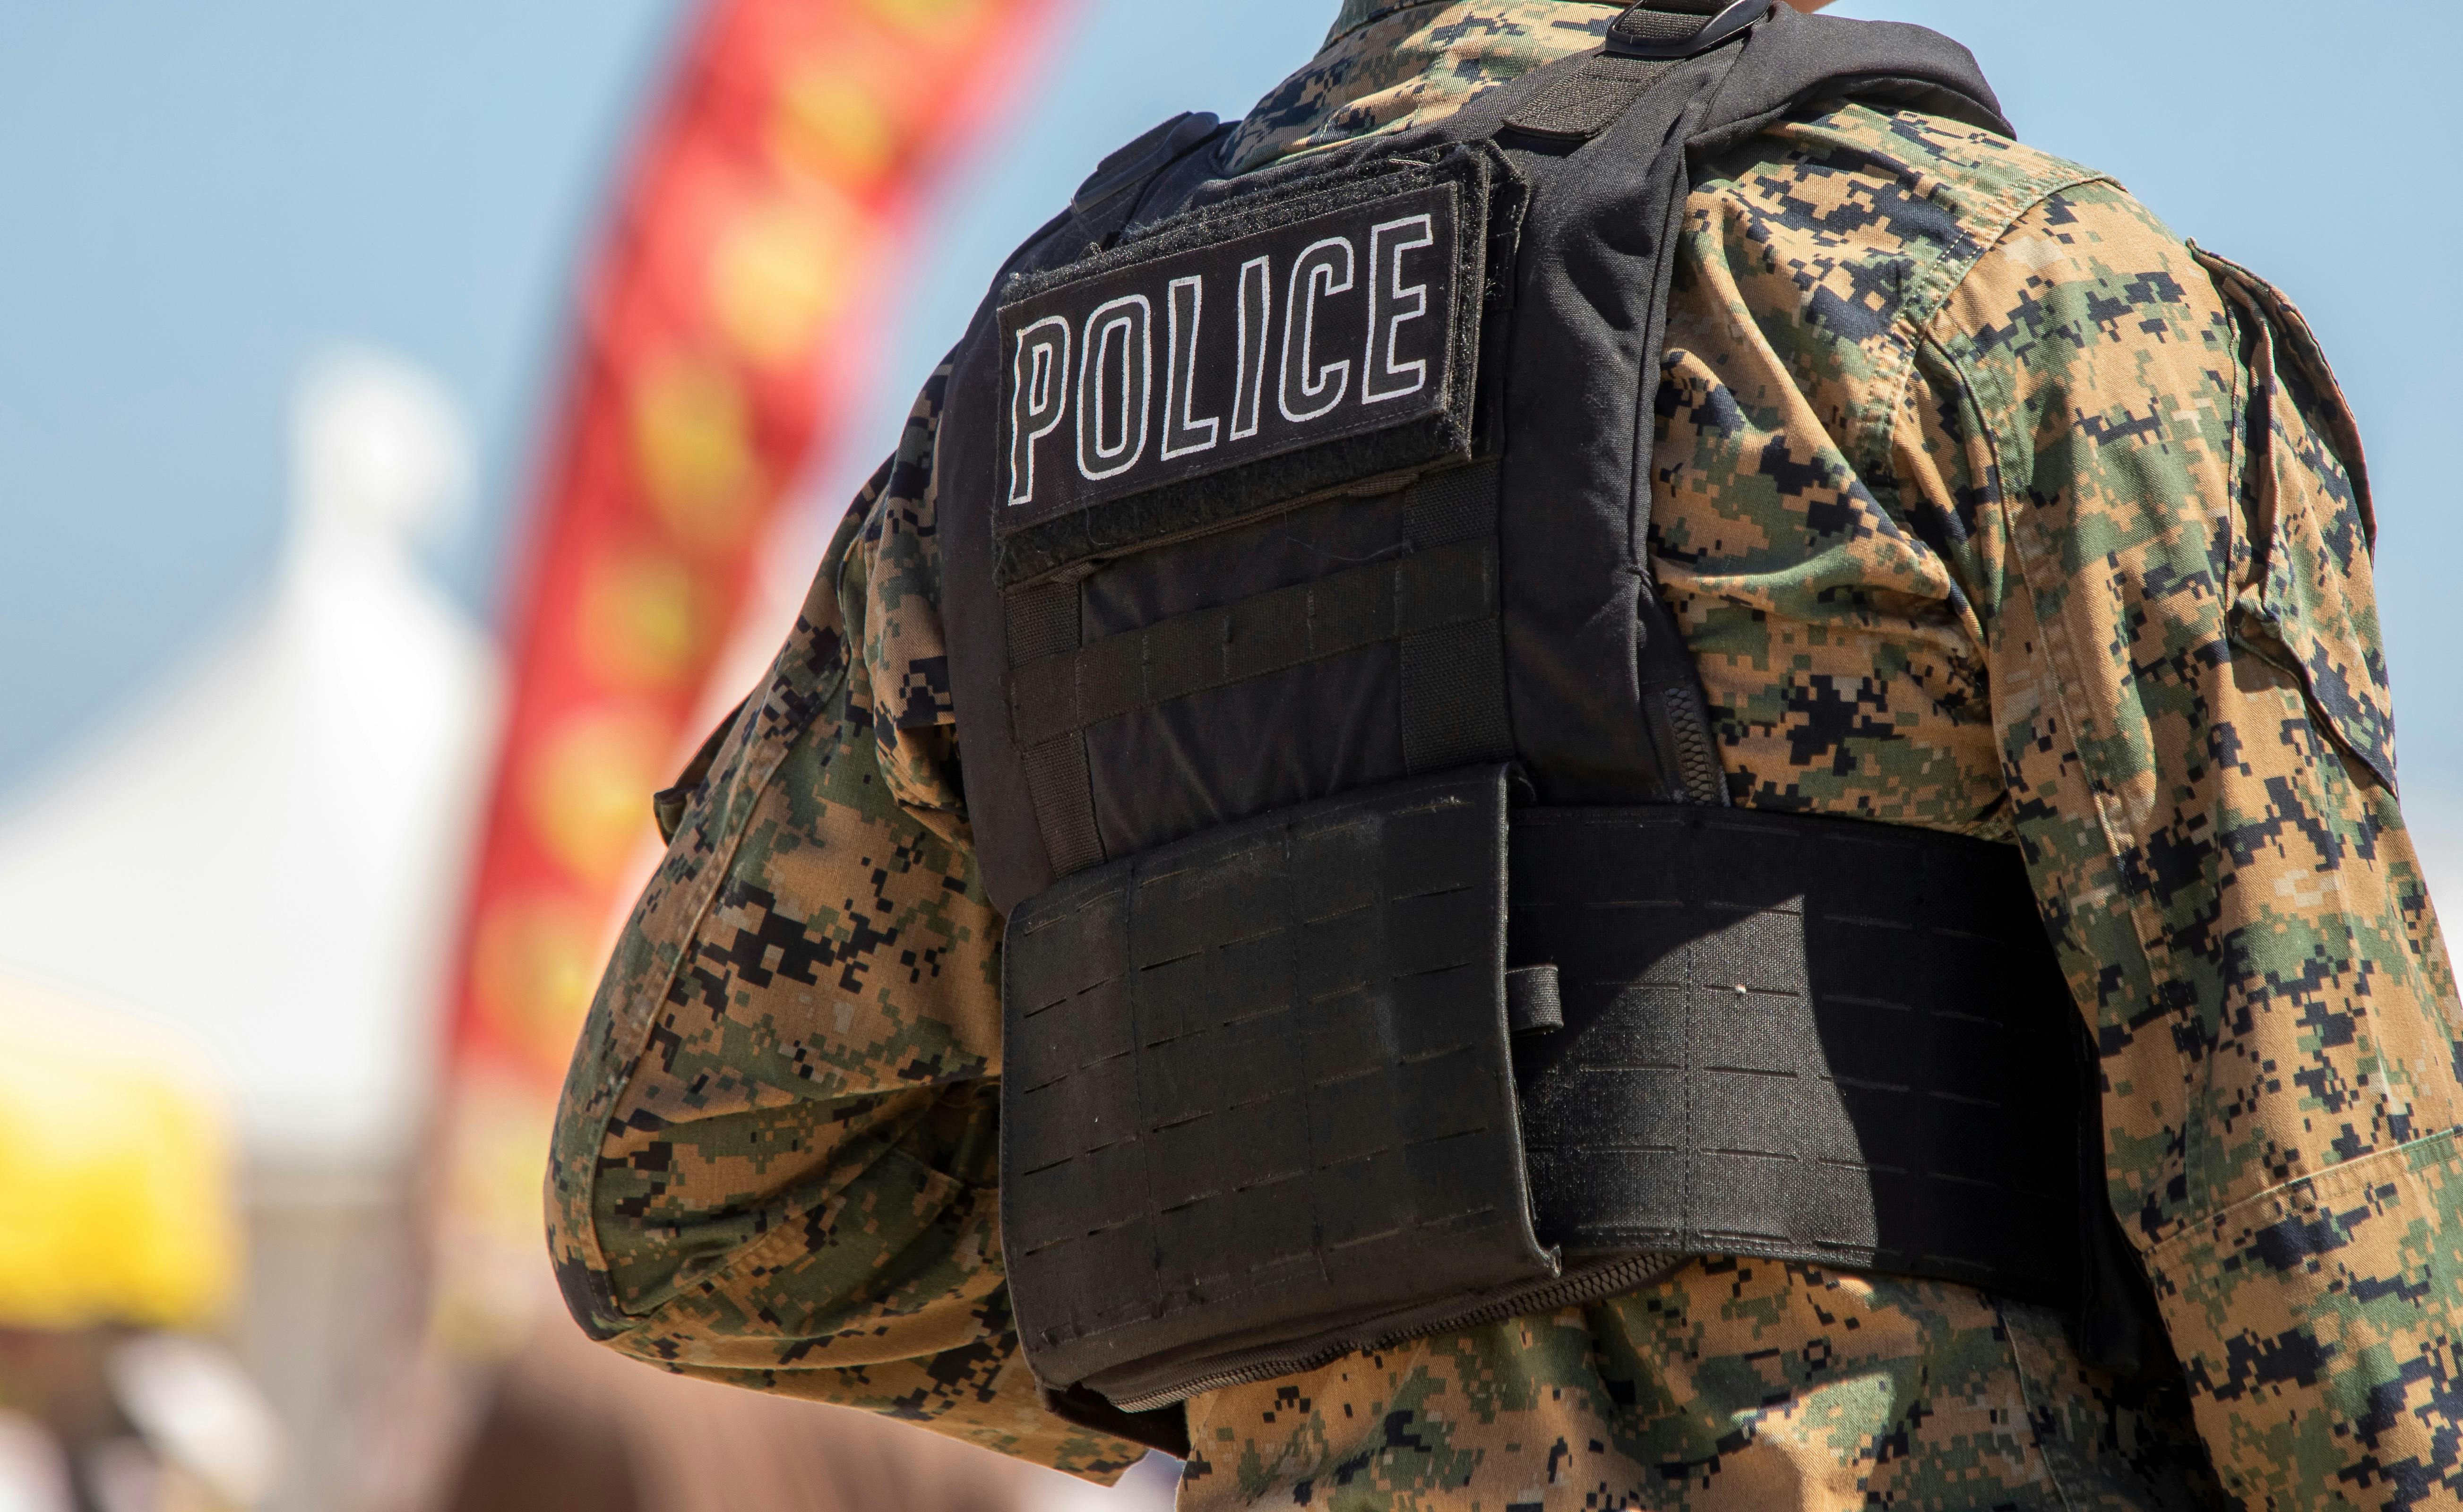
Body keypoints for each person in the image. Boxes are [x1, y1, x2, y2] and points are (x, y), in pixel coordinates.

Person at [546, 1, 2460, 1506]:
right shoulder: (2014, 303)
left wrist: (1278, 1319)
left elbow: (674, 1198)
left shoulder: (1022, 410)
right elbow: (2353, 1326)